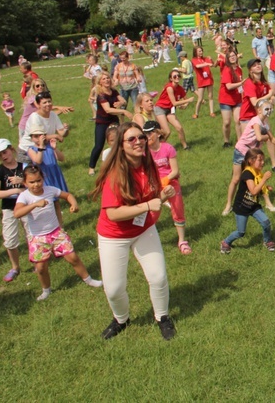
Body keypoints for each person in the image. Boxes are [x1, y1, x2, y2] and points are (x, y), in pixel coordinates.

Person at [91, 122, 177, 341]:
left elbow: (151, 195)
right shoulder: (115, 174)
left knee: (158, 277)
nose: (138, 142)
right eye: (131, 139)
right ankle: (121, 319)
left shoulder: (148, 165)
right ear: (121, 145)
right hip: (114, 236)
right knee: (114, 289)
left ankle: (162, 317)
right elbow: (113, 213)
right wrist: (147, 206)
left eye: (140, 137)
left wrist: (163, 195)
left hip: (143, 229)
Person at [13, 166, 102, 301]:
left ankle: (88, 279)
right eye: (32, 182)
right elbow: (17, 213)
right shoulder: (24, 196)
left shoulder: (50, 190)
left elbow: (67, 195)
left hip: (56, 233)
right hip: (38, 237)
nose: (36, 184)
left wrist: (74, 204)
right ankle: (46, 290)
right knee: (41, 267)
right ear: (25, 183)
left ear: (43, 178)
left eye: (39, 180)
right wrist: (34, 204)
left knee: (73, 258)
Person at [223, 99, 275, 216]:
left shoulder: (265, 124)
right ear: (259, 110)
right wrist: (266, 138)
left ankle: (268, 203)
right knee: (236, 179)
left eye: (270, 109)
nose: (269, 111)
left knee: (258, 177)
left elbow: (271, 138)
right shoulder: (256, 121)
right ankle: (228, 205)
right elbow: (259, 137)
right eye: (266, 109)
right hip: (241, 151)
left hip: (252, 155)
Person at [143, 121, 189, 255]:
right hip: (154, 186)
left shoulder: (168, 148)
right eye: (145, 134)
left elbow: (175, 171)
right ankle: (146, 239)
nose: (147, 137)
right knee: (152, 212)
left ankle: (182, 241)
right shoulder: (145, 152)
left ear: (157, 133)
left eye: (149, 134)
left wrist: (165, 181)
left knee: (178, 210)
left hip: (171, 184)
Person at [220, 148, 275, 253]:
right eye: (260, 160)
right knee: (241, 232)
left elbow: (256, 185)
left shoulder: (256, 172)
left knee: (266, 223)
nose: (263, 162)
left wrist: (266, 187)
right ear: (251, 160)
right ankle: (226, 242)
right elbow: (254, 191)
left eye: (263, 160)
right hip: (242, 207)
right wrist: (264, 179)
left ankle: (267, 241)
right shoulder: (247, 174)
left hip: (253, 205)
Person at [0, 139, 28, 282]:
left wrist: (22, 182)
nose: (3, 156)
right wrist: (15, 190)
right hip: (9, 209)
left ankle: (37, 262)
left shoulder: (24, 167)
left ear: (11, 149)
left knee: (31, 235)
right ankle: (15, 267)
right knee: (10, 240)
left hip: (25, 206)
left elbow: (36, 185)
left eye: (4, 152)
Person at [88, 72, 130, 176]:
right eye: (104, 79)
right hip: (102, 122)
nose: (107, 80)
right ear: (100, 82)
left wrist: (121, 103)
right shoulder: (101, 95)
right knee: (98, 146)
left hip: (113, 121)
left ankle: (122, 162)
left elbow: (124, 100)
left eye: (108, 78)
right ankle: (91, 167)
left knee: (119, 142)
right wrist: (123, 111)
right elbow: (107, 110)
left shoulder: (114, 91)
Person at [154, 70, 194, 150]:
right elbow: (175, 103)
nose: (177, 77)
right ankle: (157, 148)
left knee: (179, 127)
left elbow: (184, 100)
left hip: (170, 109)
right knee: (166, 131)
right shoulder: (169, 87)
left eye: (178, 75)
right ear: (171, 79)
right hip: (160, 108)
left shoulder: (180, 88)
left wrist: (185, 105)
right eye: (174, 76)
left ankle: (185, 146)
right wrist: (188, 101)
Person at [27, 124, 68, 192]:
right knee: (49, 195)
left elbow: (62, 158)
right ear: (32, 138)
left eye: (40, 135)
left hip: (55, 171)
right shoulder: (31, 149)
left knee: (60, 192)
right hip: (44, 174)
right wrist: (41, 146)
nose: (38, 138)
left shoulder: (49, 146)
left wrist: (55, 149)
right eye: (35, 136)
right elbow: (38, 161)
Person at [191, 46, 216, 119]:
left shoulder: (206, 58)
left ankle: (211, 112)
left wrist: (212, 60)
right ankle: (196, 113)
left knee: (210, 96)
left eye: (201, 51)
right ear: (195, 52)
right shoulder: (194, 60)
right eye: (199, 51)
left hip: (208, 79)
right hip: (201, 80)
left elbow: (213, 65)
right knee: (200, 98)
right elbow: (197, 66)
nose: (201, 52)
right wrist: (207, 64)